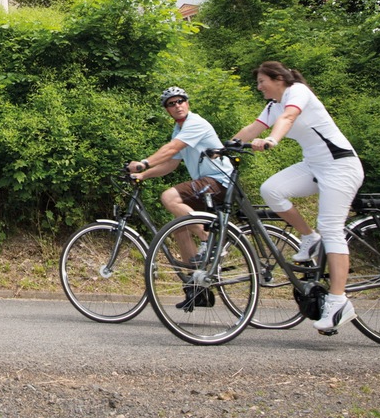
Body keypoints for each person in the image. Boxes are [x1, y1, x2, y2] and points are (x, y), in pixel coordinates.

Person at [230, 61, 364, 335]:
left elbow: (288, 119)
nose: (259, 87)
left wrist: (274, 140)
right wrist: (222, 147)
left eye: (261, 82)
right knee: (272, 190)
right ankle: (308, 237)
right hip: (314, 166)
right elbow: (252, 128)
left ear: (278, 78)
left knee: (331, 227)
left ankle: (339, 302)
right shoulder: (272, 105)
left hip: (340, 165)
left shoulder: (297, 91)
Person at [126, 86, 234, 271]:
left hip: (219, 180)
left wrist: (144, 163)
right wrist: (143, 175)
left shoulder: (195, 123)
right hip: (208, 183)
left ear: (187, 103)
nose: (177, 106)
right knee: (179, 227)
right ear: (167, 109)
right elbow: (171, 163)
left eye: (180, 101)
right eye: (171, 103)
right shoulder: (178, 130)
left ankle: (210, 240)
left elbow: (172, 149)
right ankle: (195, 286)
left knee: (169, 197)